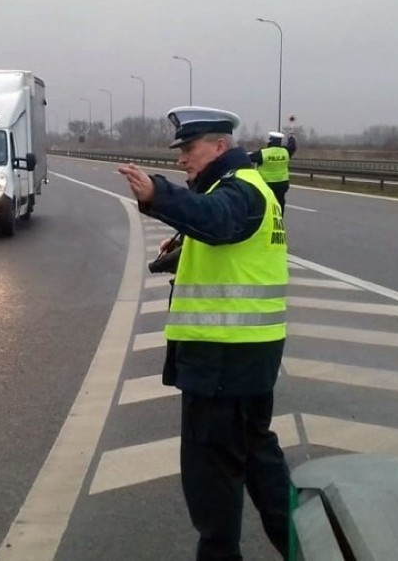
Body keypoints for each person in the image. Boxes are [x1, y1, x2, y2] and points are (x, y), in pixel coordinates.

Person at [119, 106, 291, 561]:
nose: (182, 159)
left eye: (189, 149)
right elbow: (229, 246)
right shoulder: (253, 187)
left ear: (219, 147)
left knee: (211, 487)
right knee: (258, 461)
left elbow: (217, 219)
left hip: (222, 364)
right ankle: (309, 546)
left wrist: (159, 195)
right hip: (246, 361)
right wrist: (182, 250)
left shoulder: (239, 191)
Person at [249, 131, 297, 215]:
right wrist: (291, 138)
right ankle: (279, 220)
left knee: (265, 204)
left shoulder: (263, 153)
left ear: (270, 141)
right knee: (280, 203)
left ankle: (268, 219)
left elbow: (249, 158)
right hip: (282, 184)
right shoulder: (285, 151)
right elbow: (292, 147)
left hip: (267, 184)